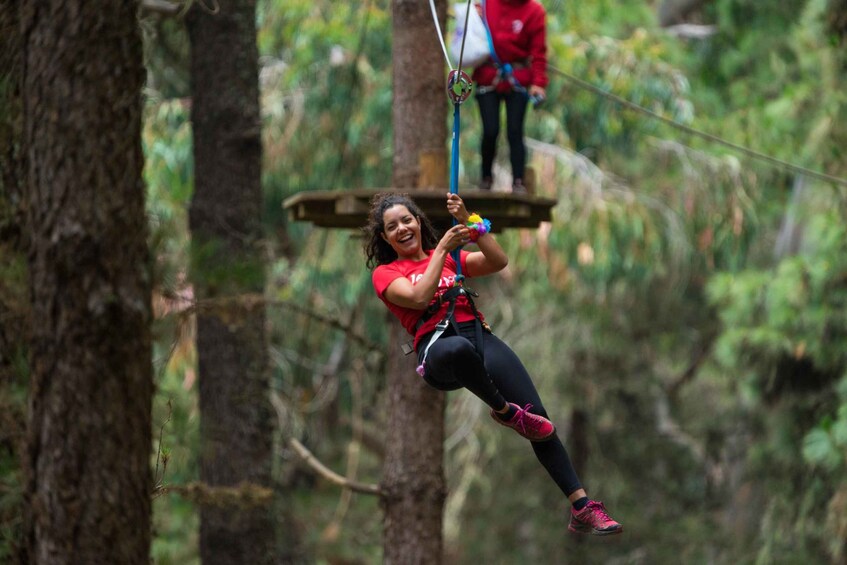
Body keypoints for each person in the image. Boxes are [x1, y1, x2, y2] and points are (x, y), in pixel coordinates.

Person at [364, 192, 623, 536]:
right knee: (457, 349)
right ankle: (504, 412)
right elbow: (418, 297)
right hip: (438, 349)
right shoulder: (387, 273)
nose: (402, 228)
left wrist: (471, 221)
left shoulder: (454, 258)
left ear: (418, 221)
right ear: (385, 237)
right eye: (392, 226)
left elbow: (497, 261)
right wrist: (441, 249)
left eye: (406, 220)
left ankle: (582, 506)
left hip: (478, 337)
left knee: (540, 420)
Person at [473, 0, 548, 194]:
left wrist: (538, 83)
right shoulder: (485, 4)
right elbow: (471, 34)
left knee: (515, 131)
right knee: (490, 129)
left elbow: (538, 52)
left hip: (517, 78)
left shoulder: (534, 11)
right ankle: (486, 178)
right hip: (488, 75)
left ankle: (518, 181)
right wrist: (473, 16)